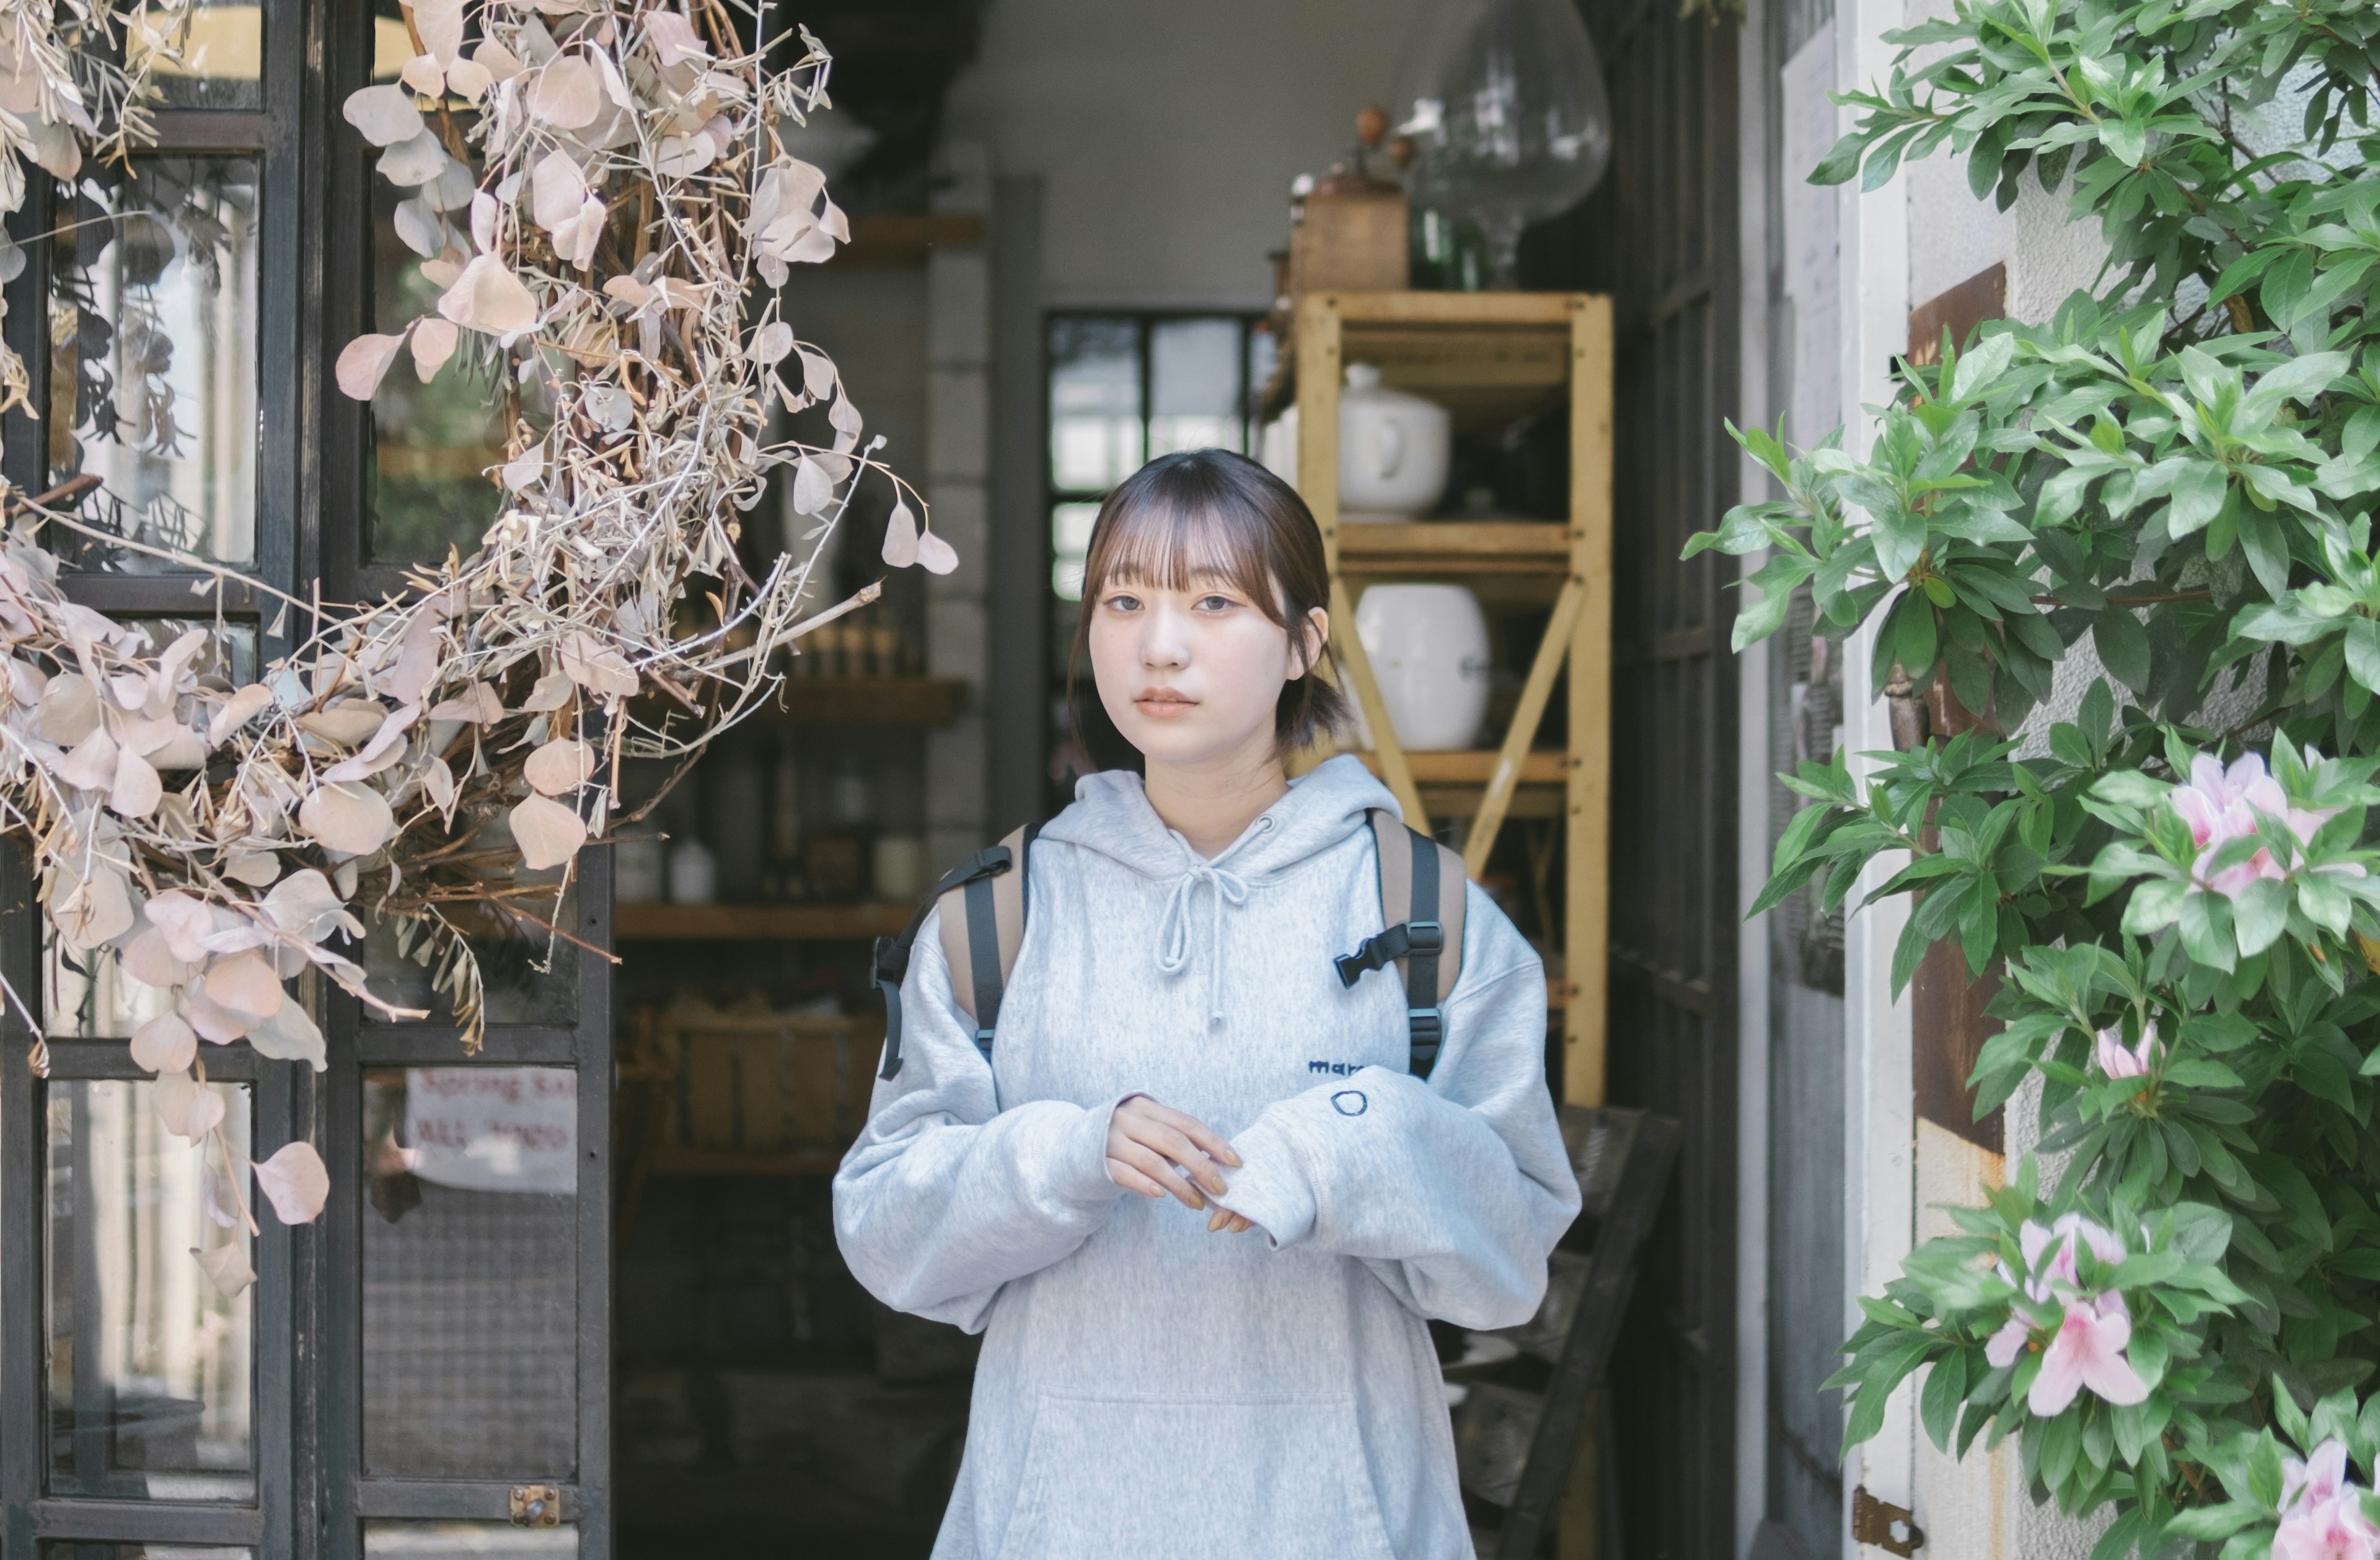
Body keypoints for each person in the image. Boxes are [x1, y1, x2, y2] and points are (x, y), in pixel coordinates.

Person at [833, 448, 1579, 1559]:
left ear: (1306, 643)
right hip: (1059, 1524)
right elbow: (884, 1225)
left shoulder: (1427, 910)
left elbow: (1512, 1266)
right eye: (1123, 600)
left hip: (1342, 1526)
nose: (1160, 644)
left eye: (1214, 602)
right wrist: (1065, 1154)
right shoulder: (1000, 913)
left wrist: (1351, 1148)